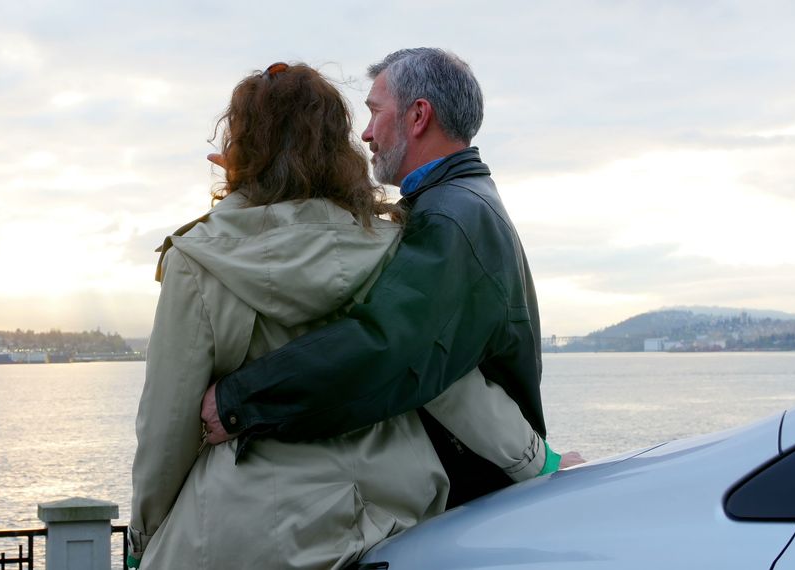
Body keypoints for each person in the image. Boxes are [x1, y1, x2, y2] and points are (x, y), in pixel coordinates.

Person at [128, 62, 552, 570]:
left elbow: (167, 425)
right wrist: (538, 463)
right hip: (392, 518)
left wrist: (144, 537)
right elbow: (447, 382)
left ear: (240, 149)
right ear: (337, 147)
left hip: (250, 527)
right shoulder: (393, 243)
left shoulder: (197, 261)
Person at [201, 48, 582, 503]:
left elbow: (386, 347)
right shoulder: (458, 202)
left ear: (418, 116)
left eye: (375, 112)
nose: (365, 134)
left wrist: (239, 401)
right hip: (483, 492)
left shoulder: (450, 217)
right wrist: (257, 185)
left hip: (474, 502)